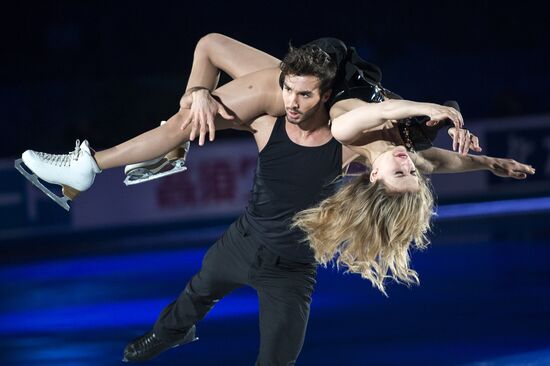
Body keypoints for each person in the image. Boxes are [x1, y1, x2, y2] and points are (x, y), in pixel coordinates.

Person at [16, 35, 534, 364]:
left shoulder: (351, 133)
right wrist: (489, 161)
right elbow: (440, 162)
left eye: (397, 172)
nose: (404, 164)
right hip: (314, 91)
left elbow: (365, 121)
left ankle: (100, 164)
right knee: (193, 101)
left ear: (374, 178)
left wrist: (438, 108)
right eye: (407, 171)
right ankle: (124, 157)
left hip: (290, 254)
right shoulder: (407, 147)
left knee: (189, 121)